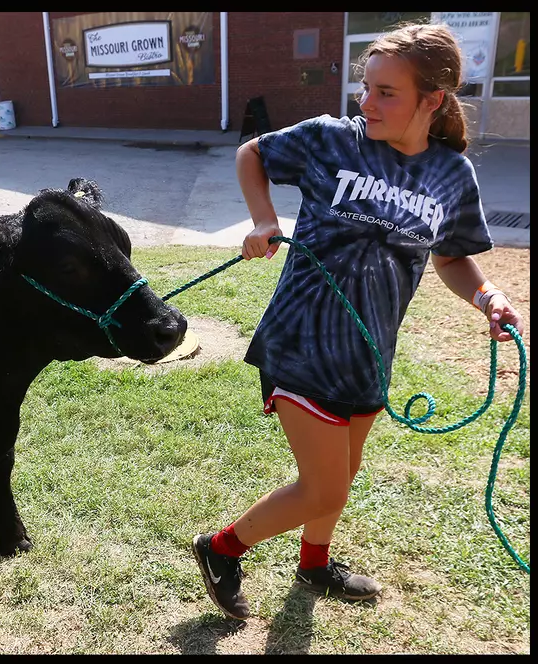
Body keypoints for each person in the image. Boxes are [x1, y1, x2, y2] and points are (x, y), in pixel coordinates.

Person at [190, 22, 525, 621]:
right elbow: (252, 154)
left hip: (370, 350)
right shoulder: (329, 141)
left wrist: (488, 298)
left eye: (386, 92)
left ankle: (314, 562)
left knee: (344, 469)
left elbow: (450, 258)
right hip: (301, 339)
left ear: (433, 101)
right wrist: (264, 220)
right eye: (364, 88)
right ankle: (220, 549)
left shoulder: (452, 176)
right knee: (325, 486)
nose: (366, 103)